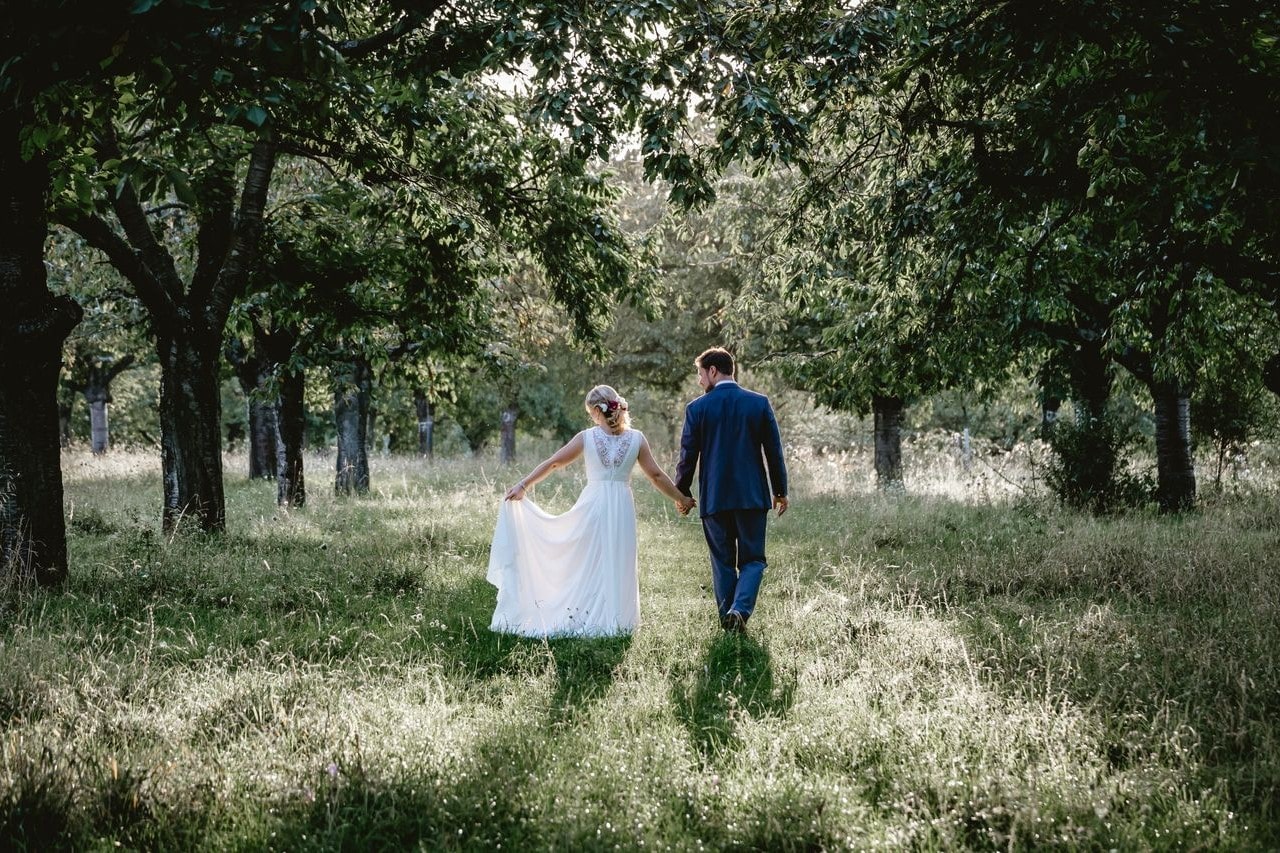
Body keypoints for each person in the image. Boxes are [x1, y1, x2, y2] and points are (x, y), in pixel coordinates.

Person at [487, 385, 695, 637]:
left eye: (591, 412)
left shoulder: (587, 437)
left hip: (594, 504)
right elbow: (656, 475)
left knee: (587, 560)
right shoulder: (637, 439)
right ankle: (617, 621)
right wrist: (681, 498)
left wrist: (524, 484)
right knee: (618, 558)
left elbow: (554, 462)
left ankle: (586, 615)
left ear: (598, 410)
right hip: (621, 506)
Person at [675, 347, 788, 633]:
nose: (700, 381)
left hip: (715, 498)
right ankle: (739, 611)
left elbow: (688, 456)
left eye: (701, 374)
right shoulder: (758, 403)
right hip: (752, 497)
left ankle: (729, 621)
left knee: (723, 562)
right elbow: (774, 452)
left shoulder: (697, 409)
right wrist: (780, 490)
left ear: (713, 371)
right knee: (753, 559)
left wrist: (682, 494)